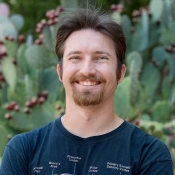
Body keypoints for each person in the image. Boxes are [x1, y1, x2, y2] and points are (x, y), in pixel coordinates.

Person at [0, 7, 173, 175]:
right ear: (59, 72)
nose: (87, 70)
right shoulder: (22, 151)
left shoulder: (150, 155)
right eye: (75, 57)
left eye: (101, 58)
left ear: (120, 73)